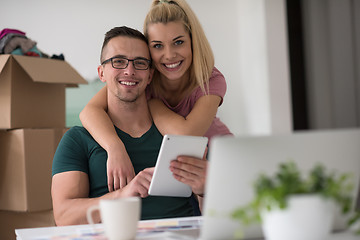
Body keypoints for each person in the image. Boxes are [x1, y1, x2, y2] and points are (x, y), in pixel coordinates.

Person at [51, 26, 207, 226]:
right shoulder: (77, 140)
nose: (129, 71)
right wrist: (122, 195)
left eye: (140, 63)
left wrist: (204, 189)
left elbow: (215, 215)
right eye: (118, 61)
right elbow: (64, 217)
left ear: (150, 75)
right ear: (102, 72)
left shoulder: (177, 133)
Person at [79, 0, 232, 192]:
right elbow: (89, 111)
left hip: (219, 158)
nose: (169, 55)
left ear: (193, 41)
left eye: (178, 42)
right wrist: (115, 147)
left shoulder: (209, 78)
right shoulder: (144, 76)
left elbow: (186, 136)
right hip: (183, 167)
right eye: (158, 46)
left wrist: (153, 104)